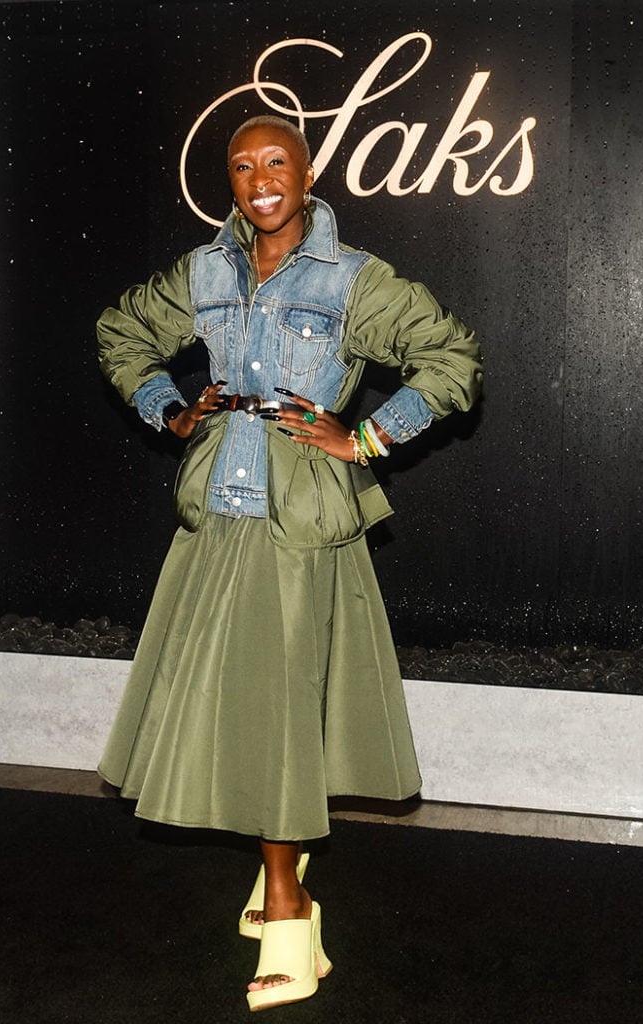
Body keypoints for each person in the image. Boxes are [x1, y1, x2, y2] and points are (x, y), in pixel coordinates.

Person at [96, 114, 483, 1011]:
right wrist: (169, 408)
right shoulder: (205, 271)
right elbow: (122, 330)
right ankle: (279, 875)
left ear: (308, 174)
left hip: (298, 524)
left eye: (278, 162)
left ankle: (287, 905)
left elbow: (451, 359)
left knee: (277, 710)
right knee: (231, 705)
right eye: (242, 166)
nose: (260, 179)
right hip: (214, 519)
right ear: (229, 182)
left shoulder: (352, 278)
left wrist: (368, 437)